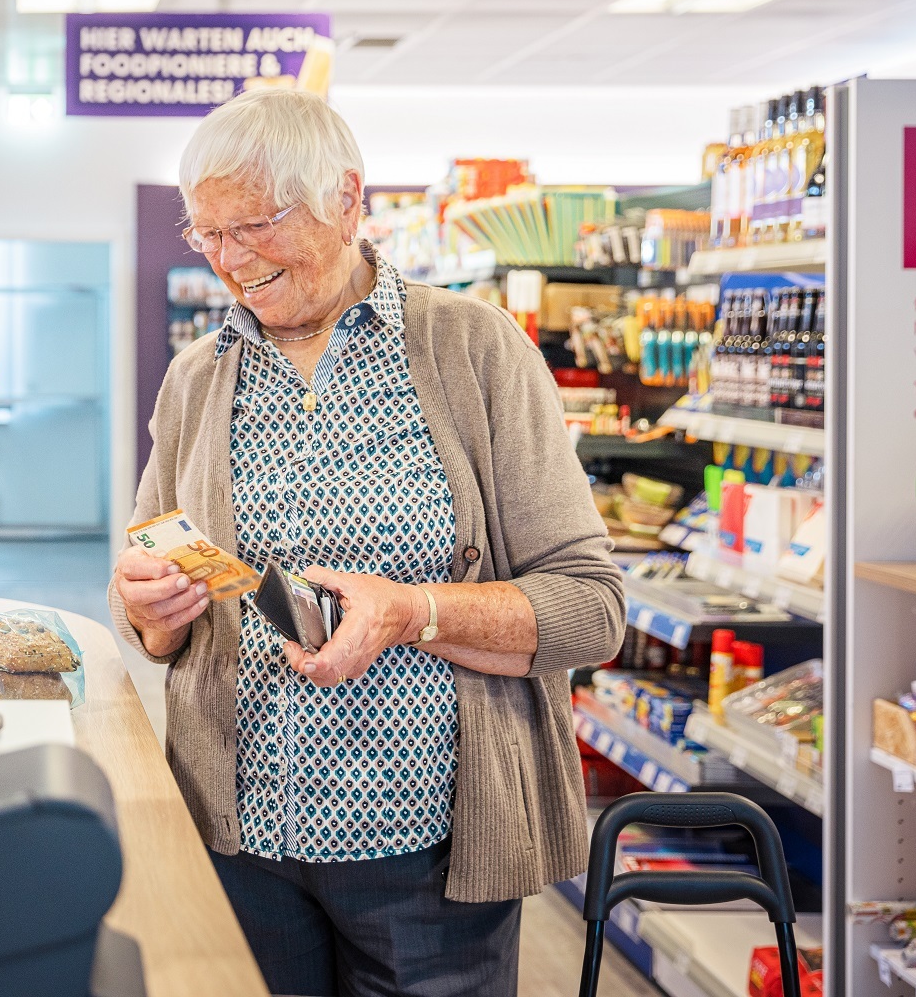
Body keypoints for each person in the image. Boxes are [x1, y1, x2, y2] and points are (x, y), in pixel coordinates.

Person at [110, 88, 623, 997]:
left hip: (430, 855)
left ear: (347, 199)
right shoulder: (196, 378)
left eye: (254, 225)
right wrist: (150, 608)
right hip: (240, 843)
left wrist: (413, 612)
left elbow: (592, 608)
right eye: (207, 234)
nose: (230, 260)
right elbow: (150, 591)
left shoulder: (474, 350)